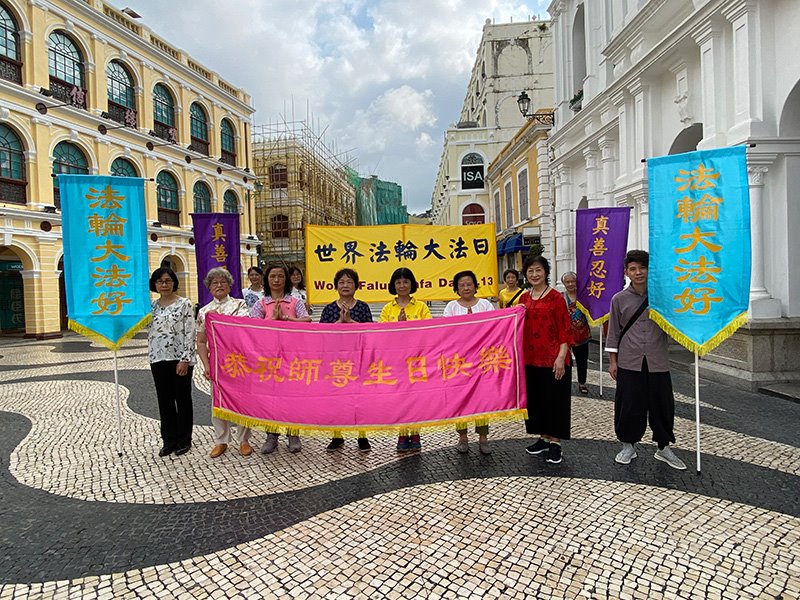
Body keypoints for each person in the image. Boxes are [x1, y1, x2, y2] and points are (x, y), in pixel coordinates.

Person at [606, 250, 686, 470]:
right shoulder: (619, 299)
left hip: (657, 359)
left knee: (662, 404)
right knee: (629, 404)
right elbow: (613, 332)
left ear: (650, 270)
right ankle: (628, 445)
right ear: (626, 272)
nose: (638, 272)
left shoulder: (662, 298)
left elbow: (676, 324)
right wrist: (613, 362)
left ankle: (663, 447)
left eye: (642, 267)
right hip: (629, 360)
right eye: (633, 268)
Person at [251, 264, 312, 455]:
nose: (276, 280)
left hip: (291, 358)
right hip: (268, 358)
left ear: (286, 279)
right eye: (272, 277)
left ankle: (293, 433)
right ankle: (272, 435)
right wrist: (272, 321)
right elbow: (252, 327)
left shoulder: (295, 302)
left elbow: (307, 320)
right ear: (266, 281)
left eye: (280, 277)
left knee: (291, 396)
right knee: (270, 397)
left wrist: (286, 320)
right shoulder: (261, 303)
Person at [520, 255, 572, 464]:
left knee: (555, 401)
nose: (534, 274)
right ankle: (543, 438)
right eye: (531, 271)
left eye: (538, 270)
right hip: (530, 359)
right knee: (537, 401)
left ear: (546, 273)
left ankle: (555, 443)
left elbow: (565, 329)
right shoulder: (524, 298)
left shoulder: (556, 298)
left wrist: (561, 357)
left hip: (553, 359)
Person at [196, 267, 252, 459]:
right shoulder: (204, 312)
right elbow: (201, 341)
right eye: (214, 283)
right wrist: (206, 365)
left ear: (229, 285)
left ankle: (244, 440)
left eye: (222, 282)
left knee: (243, 401)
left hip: (239, 360)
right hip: (217, 362)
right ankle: (221, 440)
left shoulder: (240, 305)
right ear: (209, 288)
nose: (219, 285)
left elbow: (245, 331)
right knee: (217, 402)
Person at [320, 268, 374, 452]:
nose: (345, 285)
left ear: (356, 286)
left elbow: (370, 333)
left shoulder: (363, 307)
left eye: (349, 282)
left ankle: (362, 436)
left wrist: (351, 323)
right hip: (335, 363)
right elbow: (321, 336)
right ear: (336, 286)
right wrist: (339, 324)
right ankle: (337, 436)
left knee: (360, 400)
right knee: (336, 401)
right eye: (342, 282)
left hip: (358, 360)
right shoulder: (328, 309)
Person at [443, 270, 494, 455]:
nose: (466, 288)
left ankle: (483, 437)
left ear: (475, 286)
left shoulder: (486, 305)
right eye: (462, 285)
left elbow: (494, 328)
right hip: (460, 362)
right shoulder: (451, 307)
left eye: (469, 284)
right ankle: (462, 437)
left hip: (482, 361)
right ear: (456, 288)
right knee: (461, 399)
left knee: (481, 400)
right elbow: (447, 332)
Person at [380, 267, 431, 452]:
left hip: (417, 361)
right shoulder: (388, 308)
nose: (402, 285)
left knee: (415, 398)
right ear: (394, 285)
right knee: (400, 398)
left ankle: (415, 433)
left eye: (406, 282)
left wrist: (409, 326)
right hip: (396, 361)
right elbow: (382, 334)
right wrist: (398, 326)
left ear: (412, 284)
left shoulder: (422, 307)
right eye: (399, 282)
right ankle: (402, 433)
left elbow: (429, 332)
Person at [148, 267, 196, 457]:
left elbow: (189, 332)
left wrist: (185, 359)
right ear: (155, 284)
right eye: (160, 281)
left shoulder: (184, 304)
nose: (164, 284)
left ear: (174, 282)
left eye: (168, 280)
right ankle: (169, 440)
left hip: (179, 358)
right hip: (157, 358)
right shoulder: (150, 307)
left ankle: (184, 440)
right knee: (164, 400)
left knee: (182, 399)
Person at [561, 271, 591, 395]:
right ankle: (564, 382)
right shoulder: (561, 297)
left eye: (573, 281)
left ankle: (582, 382)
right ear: (564, 284)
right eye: (567, 282)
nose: (571, 284)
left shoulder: (584, 296)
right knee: (566, 361)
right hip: (566, 335)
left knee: (582, 360)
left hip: (582, 334)